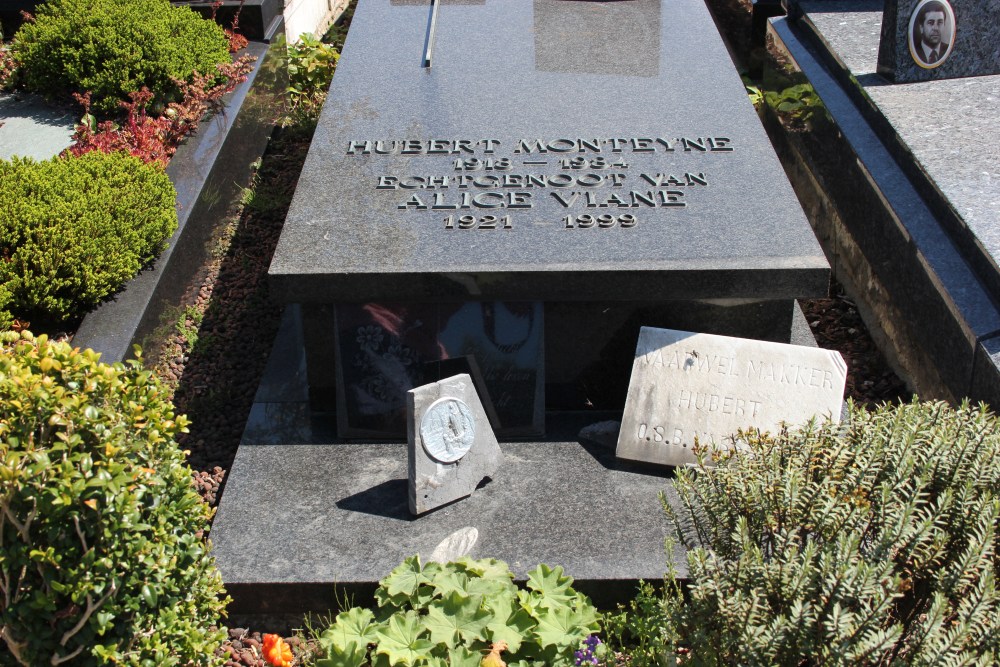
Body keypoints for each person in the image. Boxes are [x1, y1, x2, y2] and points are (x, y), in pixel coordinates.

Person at [912, 1, 951, 65]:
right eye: (930, 22)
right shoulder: (916, 51)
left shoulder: (948, 50)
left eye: (940, 22)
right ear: (921, 27)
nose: (936, 28)